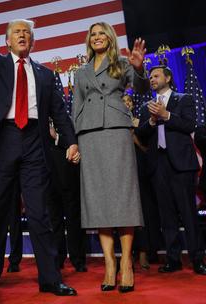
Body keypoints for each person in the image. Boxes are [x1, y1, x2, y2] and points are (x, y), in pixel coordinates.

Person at [0, 5, 80, 296]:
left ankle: (50, 279)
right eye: (17, 32)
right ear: (7, 41)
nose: (23, 35)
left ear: (33, 42)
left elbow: (60, 114)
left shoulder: (47, 76)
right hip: (2, 141)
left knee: (40, 214)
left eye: (27, 33)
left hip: (36, 143)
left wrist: (71, 140)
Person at [72, 22, 149, 293]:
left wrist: (139, 68)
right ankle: (109, 264)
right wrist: (74, 141)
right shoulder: (80, 72)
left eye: (101, 33)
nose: (97, 38)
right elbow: (76, 106)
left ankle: (126, 262)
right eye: (93, 35)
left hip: (117, 131)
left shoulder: (123, 63)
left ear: (110, 37)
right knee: (99, 201)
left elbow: (141, 88)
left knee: (122, 197)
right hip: (89, 135)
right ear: (88, 40)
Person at [135, 65, 206, 275]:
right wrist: (150, 120)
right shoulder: (147, 106)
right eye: (150, 77)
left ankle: (197, 259)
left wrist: (166, 115)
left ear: (168, 77)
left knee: (188, 213)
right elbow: (140, 132)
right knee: (166, 216)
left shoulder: (184, 99)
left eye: (156, 75)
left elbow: (190, 124)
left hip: (181, 165)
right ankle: (173, 259)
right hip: (158, 165)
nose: (152, 79)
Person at [122, 94, 162, 269]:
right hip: (122, 171)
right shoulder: (115, 125)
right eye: (123, 101)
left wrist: (134, 136)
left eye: (129, 101)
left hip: (140, 170)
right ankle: (126, 254)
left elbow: (146, 146)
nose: (126, 104)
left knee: (144, 211)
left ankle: (146, 252)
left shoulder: (140, 121)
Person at [48, 121, 87, 272]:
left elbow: (75, 142)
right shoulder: (37, 120)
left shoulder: (65, 120)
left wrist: (56, 136)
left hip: (68, 178)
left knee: (74, 219)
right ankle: (58, 258)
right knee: (54, 220)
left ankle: (78, 259)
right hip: (47, 179)